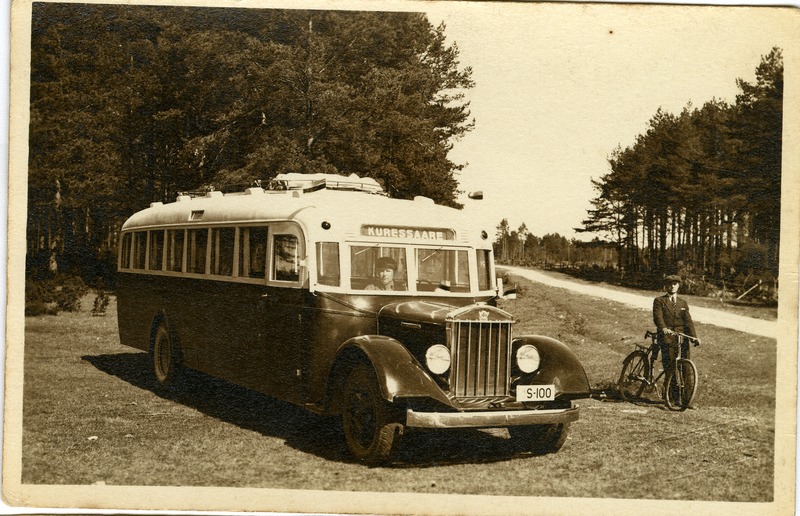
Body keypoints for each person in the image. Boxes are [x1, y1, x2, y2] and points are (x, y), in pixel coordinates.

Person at [652, 274, 700, 392]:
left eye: (675, 284)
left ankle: (687, 399)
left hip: (681, 338)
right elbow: (658, 318)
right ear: (666, 286)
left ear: (678, 286)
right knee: (670, 367)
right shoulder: (659, 301)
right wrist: (663, 328)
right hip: (667, 337)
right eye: (669, 284)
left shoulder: (682, 303)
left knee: (686, 367)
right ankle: (671, 397)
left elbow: (688, 321)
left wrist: (694, 337)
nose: (672, 287)